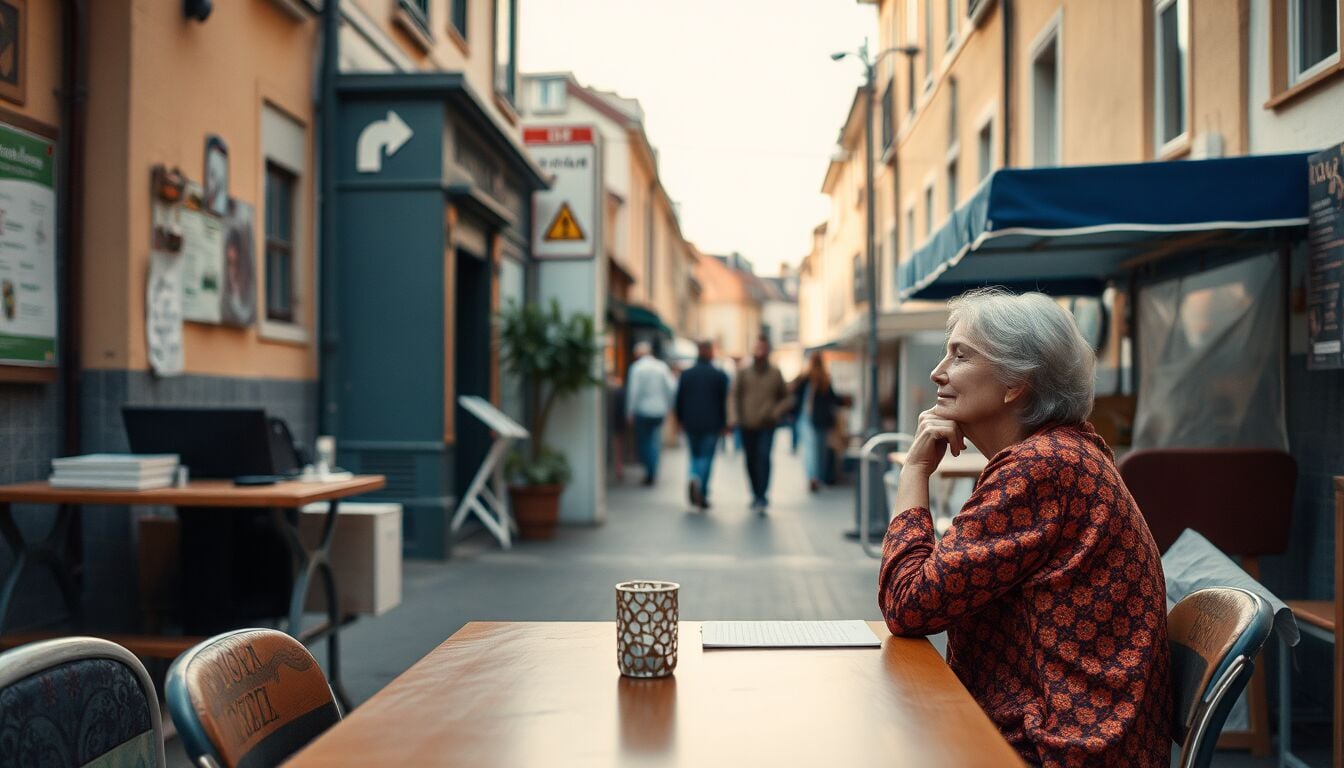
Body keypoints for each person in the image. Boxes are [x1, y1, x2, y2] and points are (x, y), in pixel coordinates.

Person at [878, 288, 1170, 768]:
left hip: (1056, 749)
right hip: (1074, 737)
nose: (938, 372)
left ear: (1016, 382)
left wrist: (914, 473)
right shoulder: (1064, 453)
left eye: (960, 355)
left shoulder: (1042, 468)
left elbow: (907, 604)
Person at [728, 335, 792, 513]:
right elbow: (734, 395)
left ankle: (762, 496)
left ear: (767, 350)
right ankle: (755, 493)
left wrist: (775, 412)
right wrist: (733, 417)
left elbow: (787, 398)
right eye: (757, 348)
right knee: (750, 460)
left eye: (763, 348)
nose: (760, 352)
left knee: (763, 458)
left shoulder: (775, 373)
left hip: (767, 424)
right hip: (747, 423)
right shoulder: (743, 372)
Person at [674, 340, 729, 510]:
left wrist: (680, 419)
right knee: (706, 457)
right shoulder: (719, 375)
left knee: (694, 455)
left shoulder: (687, 374)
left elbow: (679, 399)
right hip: (712, 423)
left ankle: (693, 476)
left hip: (691, 422)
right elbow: (724, 402)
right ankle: (701, 489)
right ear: (710, 352)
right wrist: (725, 423)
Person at [791, 352, 850, 493]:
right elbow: (833, 399)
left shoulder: (804, 379)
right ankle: (817, 476)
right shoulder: (823, 380)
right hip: (820, 421)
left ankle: (813, 476)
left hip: (805, 420)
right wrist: (846, 401)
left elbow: (794, 397)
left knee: (810, 450)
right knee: (820, 451)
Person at [625, 341, 675, 486]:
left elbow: (633, 392)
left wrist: (629, 412)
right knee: (655, 441)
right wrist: (668, 405)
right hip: (659, 410)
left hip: (643, 410)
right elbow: (670, 388)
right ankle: (653, 470)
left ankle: (650, 471)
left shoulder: (636, 368)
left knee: (644, 442)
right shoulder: (661, 367)